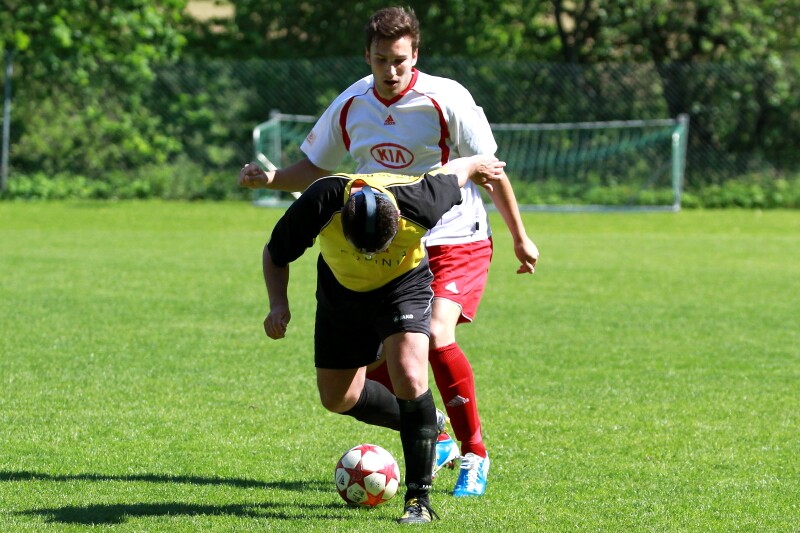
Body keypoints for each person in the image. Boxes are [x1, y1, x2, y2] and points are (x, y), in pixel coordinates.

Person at [240, 6, 539, 498]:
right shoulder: (351, 103)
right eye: (381, 60)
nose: (391, 70)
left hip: (453, 235)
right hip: (383, 243)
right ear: (368, 56)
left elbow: (488, 168)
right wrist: (270, 179)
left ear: (415, 55)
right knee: (383, 354)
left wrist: (519, 235)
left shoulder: (447, 99)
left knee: (435, 337)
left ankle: (474, 454)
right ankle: (433, 433)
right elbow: (315, 167)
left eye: (400, 60)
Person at [259, 155, 505, 524]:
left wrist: (477, 163)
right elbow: (276, 253)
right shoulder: (322, 200)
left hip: (402, 289)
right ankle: (427, 421)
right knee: (338, 398)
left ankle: (418, 500)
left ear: (399, 218)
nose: (370, 255)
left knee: (410, 377)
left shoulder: (421, 199)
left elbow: (458, 170)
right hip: (341, 296)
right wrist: (278, 304)